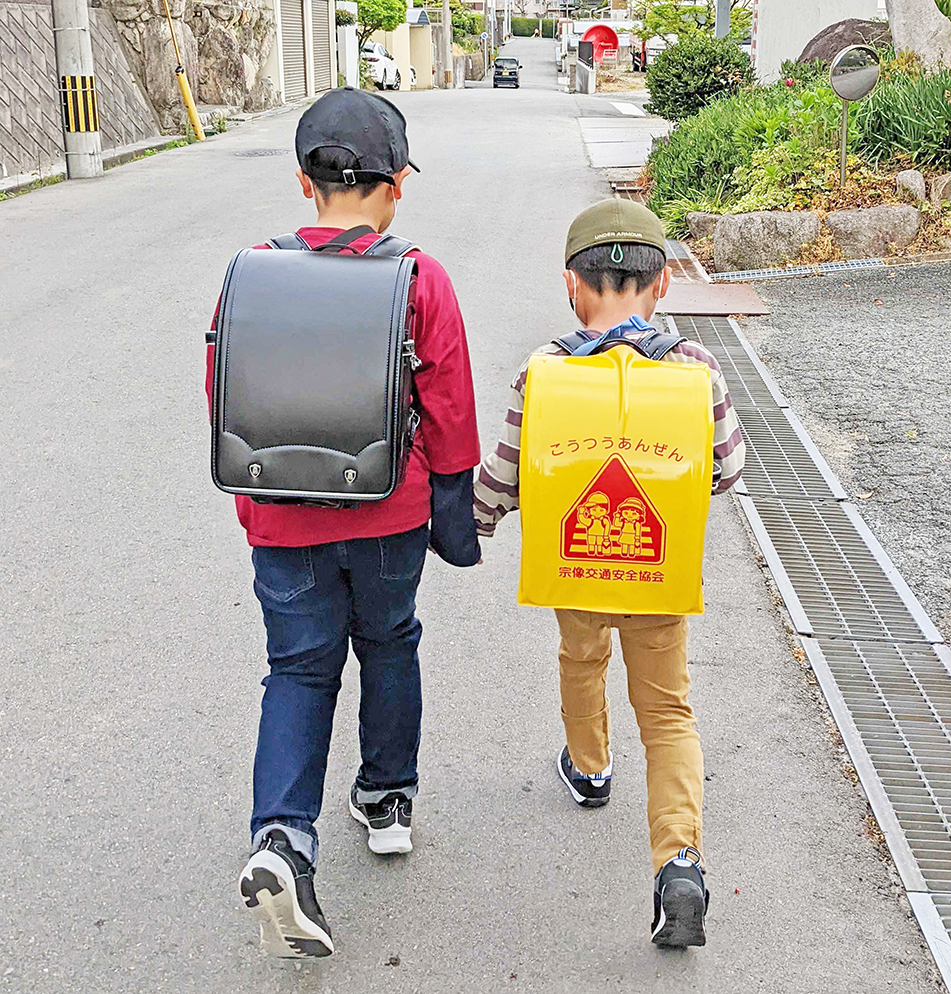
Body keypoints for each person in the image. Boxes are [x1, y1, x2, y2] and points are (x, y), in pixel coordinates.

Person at [209, 89, 483, 958]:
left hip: (281, 518)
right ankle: (388, 799)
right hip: (387, 511)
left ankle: (283, 836)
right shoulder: (419, 277)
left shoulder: (253, 268)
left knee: (296, 668)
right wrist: (455, 512)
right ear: (396, 184)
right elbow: (448, 406)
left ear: (304, 183)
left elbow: (223, 391)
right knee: (391, 641)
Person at [471, 199, 745, 947]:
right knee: (666, 713)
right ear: (662, 288)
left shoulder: (548, 370)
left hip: (578, 568)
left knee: (581, 659)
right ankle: (679, 860)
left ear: (572, 285)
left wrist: (474, 526)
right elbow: (727, 469)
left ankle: (590, 767)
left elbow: (506, 475)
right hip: (657, 571)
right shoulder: (696, 369)